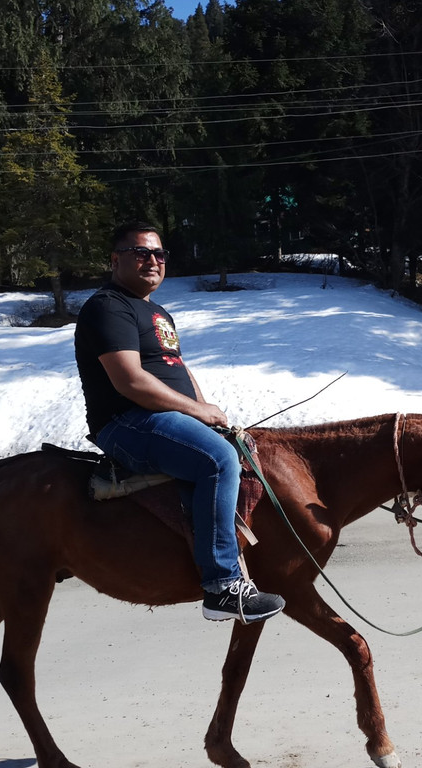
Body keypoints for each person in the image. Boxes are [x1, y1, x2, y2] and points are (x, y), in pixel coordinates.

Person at [75, 221, 285, 624]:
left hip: (164, 418)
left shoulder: (156, 311)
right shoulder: (108, 306)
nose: (152, 260)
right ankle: (223, 587)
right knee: (219, 459)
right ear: (115, 259)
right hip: (126, 421)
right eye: (141, 253)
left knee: (234, 448)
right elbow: (130, 380)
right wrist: (197, 414)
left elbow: (177, 369)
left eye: (159, 254)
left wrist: (208, 410)